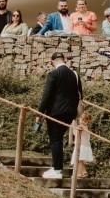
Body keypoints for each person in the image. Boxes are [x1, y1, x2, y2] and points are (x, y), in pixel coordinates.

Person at [37, 51, 82, 179]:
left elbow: (46, 96)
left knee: (55, 140)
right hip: (70, 113)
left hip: (55, 113)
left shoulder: (53, 74)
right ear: (64, 60)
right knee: (59, 139)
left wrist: (39, 113)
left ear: (53, 61)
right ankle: (56, 167)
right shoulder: (74, 74)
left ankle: (57, 170)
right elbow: (80, 95)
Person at [70, 110, 94, 178]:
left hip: (83, 146)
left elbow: (75, 133)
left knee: (80, 160)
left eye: (85, 121)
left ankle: (79, 174)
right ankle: (84, 172)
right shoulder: (83, 127)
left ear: (88, 122)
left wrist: (74, 126)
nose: (83, 121)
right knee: (81, 160)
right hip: (83, 145)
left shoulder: (82, 127)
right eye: (82, 120)